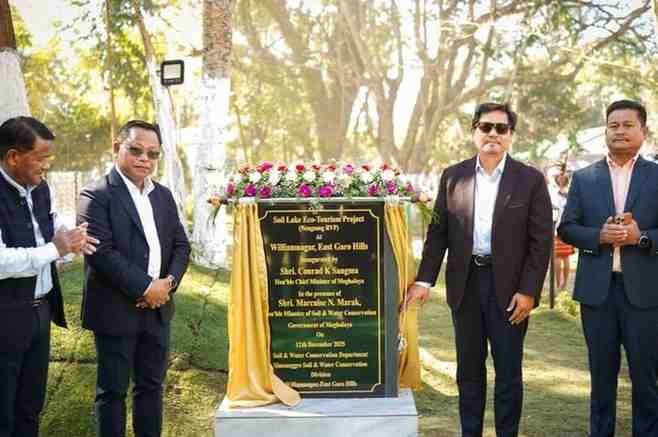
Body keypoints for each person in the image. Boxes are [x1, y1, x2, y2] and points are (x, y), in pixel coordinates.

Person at [404, 102, 552, 437]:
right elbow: (438, 234)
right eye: (486, 127)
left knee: (508, 373)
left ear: (510, 135)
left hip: (511, 290)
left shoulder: (530, 180)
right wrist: (424, 280)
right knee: (468, 372)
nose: (493, 134)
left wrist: (528, 291)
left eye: (501, 128)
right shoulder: (453, 176)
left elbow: (540, 242)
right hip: (465, 285)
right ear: (474, 132)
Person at [77, 120, 191, 437]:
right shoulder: (96, 194)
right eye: (136, 150)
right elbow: (101, 253)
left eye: (153, 154)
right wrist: (145, 287)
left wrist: (166, 286)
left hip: (158, 309)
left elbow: (181, 246)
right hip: (115, 310)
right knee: (112, 392)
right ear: (117, 147)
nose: (145, 159)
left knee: (151, 387)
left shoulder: (163, 195)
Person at [558, 99, 658, 437]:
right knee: (601, 378)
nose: (620, 131)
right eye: (613, 125)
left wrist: (640, 237)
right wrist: (598, 236)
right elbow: (566, 228)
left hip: (645, 295)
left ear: (643, 131)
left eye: (628, 125)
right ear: (606, 131)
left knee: (646, 377)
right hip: (597, 295)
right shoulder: (585, 178)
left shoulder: (656, 176)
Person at [0, 116, 97, 437]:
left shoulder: (42, 189)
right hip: (5, 318)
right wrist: (56, 248)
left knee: (30, 408)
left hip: (40, 312)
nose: (46, 166)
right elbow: (2, 262)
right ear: (13, 156)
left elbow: (52, 235)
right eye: (41, 158)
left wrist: (72, 243)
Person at [548, 166, 574, 289]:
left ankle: (559, 284)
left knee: (559, 256)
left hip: (558, 226)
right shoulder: (569, 192)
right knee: (564, 257)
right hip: (565, 226)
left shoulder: (554, 192)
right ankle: (562, 284)